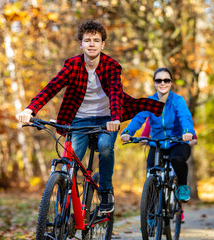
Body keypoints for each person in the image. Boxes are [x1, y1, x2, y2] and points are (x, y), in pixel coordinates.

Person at [17, 20, 164, 213]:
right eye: (87, 40)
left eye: (96, 40)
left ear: (103, 44)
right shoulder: (72, 65)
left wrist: (115, 118)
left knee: (104, 147)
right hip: (79, 120)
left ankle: (105, 191)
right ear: (81, 44)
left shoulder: (111, 66)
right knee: (70, 159)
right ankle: (65, 203)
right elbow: (52, 87)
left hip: (107, 118)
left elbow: (115, 93)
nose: (92, 44)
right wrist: (30, 109)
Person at [121, 67, 196, 202]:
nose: (163, 83)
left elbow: (185, 116)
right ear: (154, 83)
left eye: (166, 80)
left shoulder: (177, 101)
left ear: (171, 83)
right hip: (157, 143)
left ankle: (183, 186)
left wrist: (187, 132)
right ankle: (150, 212)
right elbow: (138, 118)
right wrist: (127, 132)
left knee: (177, 160)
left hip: (177, 142)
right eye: (159, 80)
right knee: (152, 173)